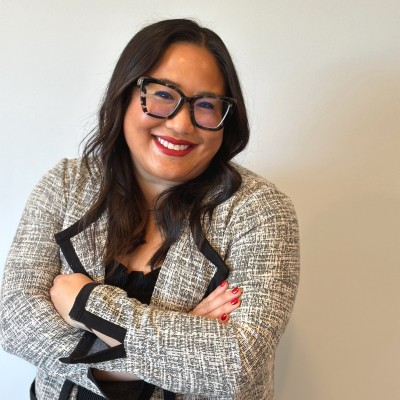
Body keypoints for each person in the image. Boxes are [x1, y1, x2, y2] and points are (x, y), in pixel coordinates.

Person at [0, 18, 299, 400]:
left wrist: (87, 304)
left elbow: (239, 365)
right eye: (163, 94)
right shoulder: (65, 184)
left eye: (206, 105)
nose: (181, 124)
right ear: (125, 94)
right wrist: (174, 343)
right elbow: (15, 320)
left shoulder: (259, 211)